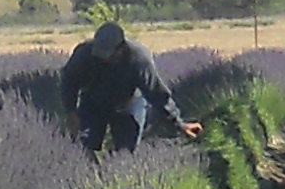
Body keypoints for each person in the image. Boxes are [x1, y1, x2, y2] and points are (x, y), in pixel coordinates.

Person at [60, 19, 193, 155]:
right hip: (93, 102)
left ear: (121, 48)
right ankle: (91, 173)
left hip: (128, 103)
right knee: (82, 146)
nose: (104, 59)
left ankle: (116, 173)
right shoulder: (84, 53)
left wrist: (179, 124)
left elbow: (156, 93)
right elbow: (68, 81)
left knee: (126, 151)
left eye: (109, 54)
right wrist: (70, 111)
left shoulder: (139, 59)